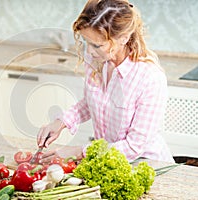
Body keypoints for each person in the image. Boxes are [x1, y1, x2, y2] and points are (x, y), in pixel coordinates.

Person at [37, 0, 174, 163]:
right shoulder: (98, 59)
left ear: (123, 38)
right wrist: (61, 122)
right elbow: (92, 103)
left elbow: (133, 147)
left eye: (97, 45)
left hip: (148, 164)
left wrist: (80, 152)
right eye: (86, 42)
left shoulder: (149, 78)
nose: (89, 52)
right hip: (108, 160)